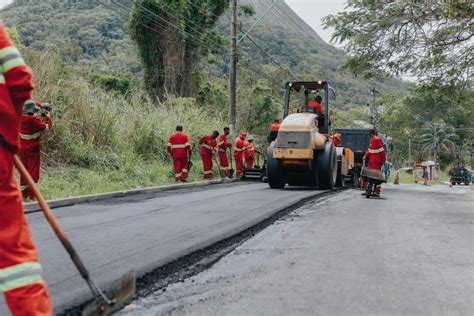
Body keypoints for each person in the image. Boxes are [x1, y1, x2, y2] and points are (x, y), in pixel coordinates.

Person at [0, 22, 53, 315]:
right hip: (10, 153)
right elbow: (20, 81)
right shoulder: (33, 119)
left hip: (15, 145)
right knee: (15, 253)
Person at [19, 100, 52, 200]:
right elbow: (46, 127)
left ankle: (23, 193)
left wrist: (40, 105)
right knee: (33, 171)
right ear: (32, 111)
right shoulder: (33, 120)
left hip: (22, 148)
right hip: (32, 149)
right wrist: (47, 117)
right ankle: (31, 194)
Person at [364, 129, 386, 197]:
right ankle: (374, 191)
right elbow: (370, 150)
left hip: (375, 162)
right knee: (376, 177)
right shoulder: (373, 140)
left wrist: (383, 160)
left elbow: (381, 151)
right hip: (374, 162)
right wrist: (365, 156)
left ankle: (375, 191)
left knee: (374, 177)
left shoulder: (376, 140)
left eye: (370, 135)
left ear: (371, 134)